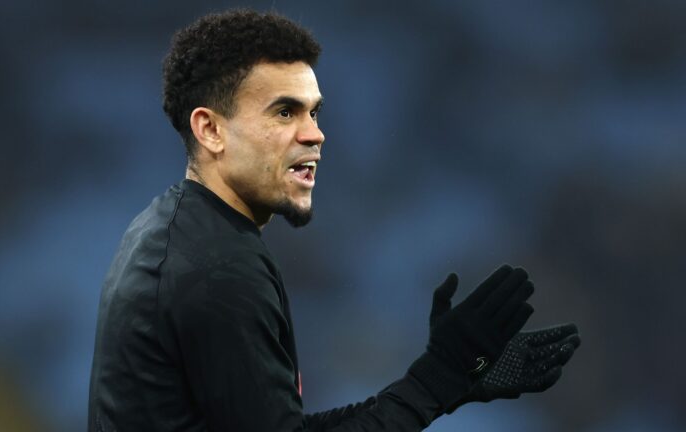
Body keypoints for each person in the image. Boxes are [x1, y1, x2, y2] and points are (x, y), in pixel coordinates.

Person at [87, 9, 581, 432]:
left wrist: (443, 381)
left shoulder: (175, 231)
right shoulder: (216, 269)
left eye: (314, 113)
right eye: (285, 113)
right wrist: (437, 378)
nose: (314, 134)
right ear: (211, 129)